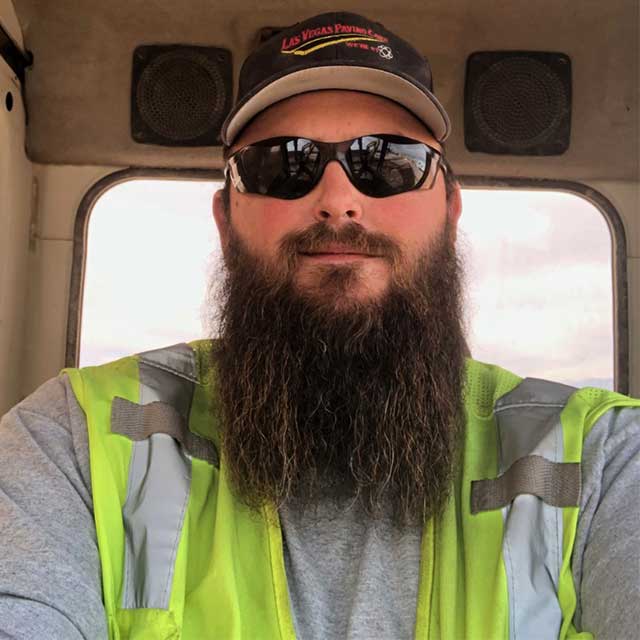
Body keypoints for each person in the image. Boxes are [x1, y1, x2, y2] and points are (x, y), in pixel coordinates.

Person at [0, 10, 638, 640]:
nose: (337, 198)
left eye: (389, 161)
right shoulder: (75, 438)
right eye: (284, 163)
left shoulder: (604, 461)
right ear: (227, 224)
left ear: (449, 210)